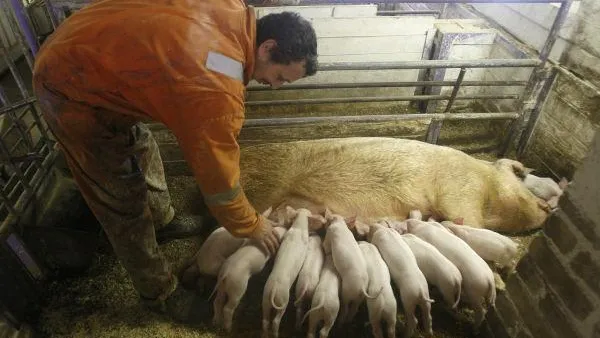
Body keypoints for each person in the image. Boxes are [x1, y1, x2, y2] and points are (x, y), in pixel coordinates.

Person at [32, 0, 318, 323]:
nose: (275, 86)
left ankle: (163, 221)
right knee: (120, 197)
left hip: (85, 41)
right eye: (280, 76)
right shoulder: (217, 91)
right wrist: (252, 224)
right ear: (267, 47)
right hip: (69, 83)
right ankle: (160, 294)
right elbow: (219, 183)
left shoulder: (234, 11)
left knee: (142, 144)